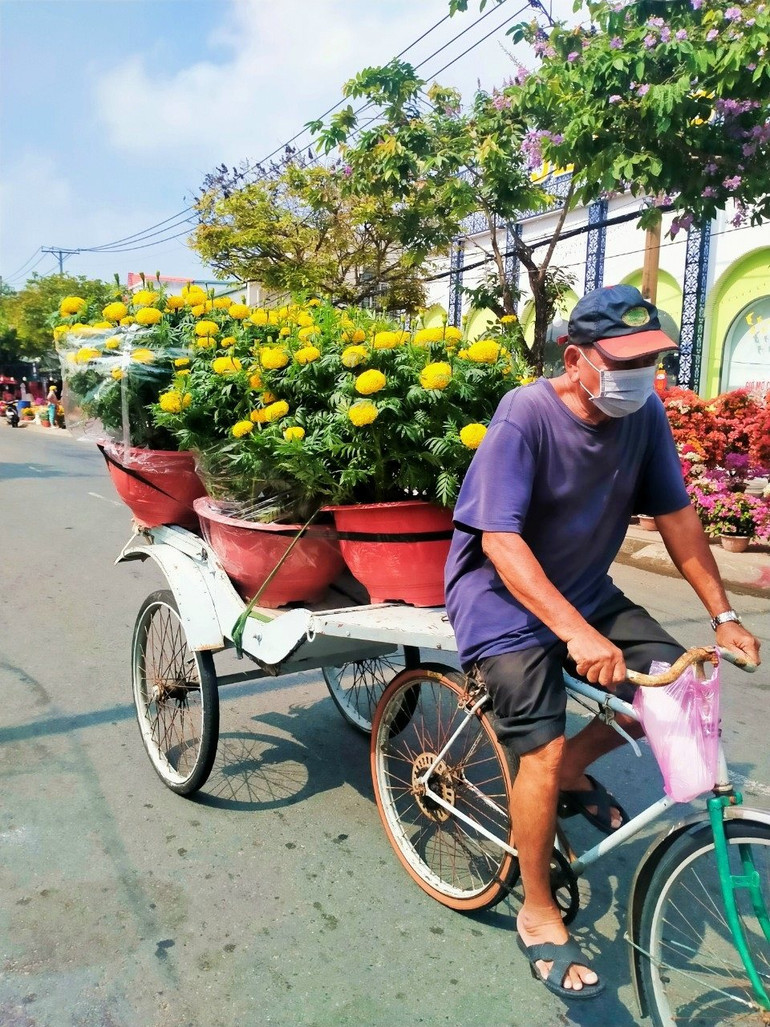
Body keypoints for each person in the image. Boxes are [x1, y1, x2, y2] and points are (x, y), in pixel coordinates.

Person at [444, 284, 761, 1000]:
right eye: (624, 362)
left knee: (674, 692)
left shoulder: (642, 413)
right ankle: (535, 907)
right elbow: (500, 541)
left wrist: (721, 615)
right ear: (576, 357)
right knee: (541, 745)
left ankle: (573, 774)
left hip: (584, 590)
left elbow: (679, 517)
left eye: (652, 361)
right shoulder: (526, 414)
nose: (641, 377)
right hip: (502, 602)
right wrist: (574, 631)